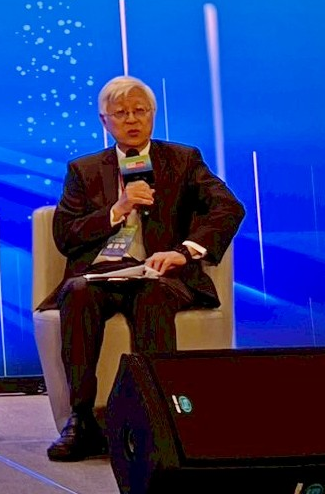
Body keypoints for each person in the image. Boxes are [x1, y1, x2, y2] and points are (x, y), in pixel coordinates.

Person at [43, 76, 244, 461]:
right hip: (102, 275)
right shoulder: (84, 170)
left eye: (140, 111)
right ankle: (81, 419)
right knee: (78, 293)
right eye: (121, 113)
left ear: (153, 114)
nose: (132, 120)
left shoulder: (183, 160)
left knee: (152, 295)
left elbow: (227, 208)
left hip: (160, 275)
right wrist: (116, 210)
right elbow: (66, 235)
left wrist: (185, 251)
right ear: (104, 121)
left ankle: (157, 418)